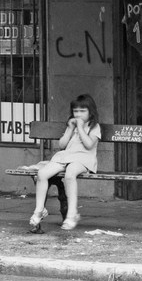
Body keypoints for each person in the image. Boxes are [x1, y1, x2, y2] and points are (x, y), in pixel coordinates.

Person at [29, 94, 102, 230]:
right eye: (75, 111)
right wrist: (69, 129)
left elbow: (89, 145)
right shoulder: (71, 125)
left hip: (83, 158)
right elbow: (62, 145)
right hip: (66, 156)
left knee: (70, 174)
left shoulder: (94, 126)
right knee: (42, 173)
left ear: (90, 112)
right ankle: (39, 210)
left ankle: (72, 213)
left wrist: (80, 128)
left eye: (82, 111)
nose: (78, 114)